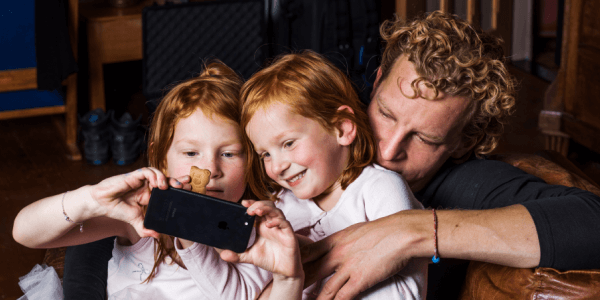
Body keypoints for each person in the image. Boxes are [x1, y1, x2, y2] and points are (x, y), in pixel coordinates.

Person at [300, 11, 600, 300]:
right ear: (377, 82)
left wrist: (410, 230)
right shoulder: (325, 130)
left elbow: (591, 220)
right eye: (386, 114)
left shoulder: (466, 183)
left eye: (424, 138)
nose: (388, 150)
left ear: (463, 141)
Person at [13, 61, 304, 300]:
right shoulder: (141, 217)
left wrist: (191, 237)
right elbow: (26, 233)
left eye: (229, 153)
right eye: (191, 152)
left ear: (251, 158)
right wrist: (90, 199)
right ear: (160, 157)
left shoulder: (254, 232)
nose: (210, 168)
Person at [240, 50, 428, 299]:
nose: (277, 167)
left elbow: (401, 290)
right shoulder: (282, 207)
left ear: (341, 128)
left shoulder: (380, 188)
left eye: (288, 144)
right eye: (265, 154)